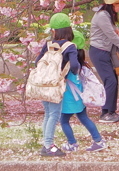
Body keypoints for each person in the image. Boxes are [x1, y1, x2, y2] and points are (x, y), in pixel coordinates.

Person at [35, 13, 80, 157]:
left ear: (54, 31)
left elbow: (37, 62)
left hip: (44, 83)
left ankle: (46, 143)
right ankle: (49, 145)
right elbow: (75, 65)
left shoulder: (48, 45)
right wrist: (67, 74)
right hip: (56, 85)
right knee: (54, 114)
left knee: (48, 114)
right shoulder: (70, 46)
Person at [89, 0, 119, 123]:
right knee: (110, 81)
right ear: (114, 4)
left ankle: (111, 111)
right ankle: (105, 113)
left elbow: (113, 32)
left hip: (104, 51)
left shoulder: (107, 15)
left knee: (113, 80)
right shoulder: (102, 15)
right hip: (98, 51)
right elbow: (111, 35)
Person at [60, 31, 106, 152]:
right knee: (84, 118)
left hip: (69, 98)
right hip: (79, 97)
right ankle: (98, 140)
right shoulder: (81, 63)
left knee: (64, 120)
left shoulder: (68, 65)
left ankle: (72, 143)